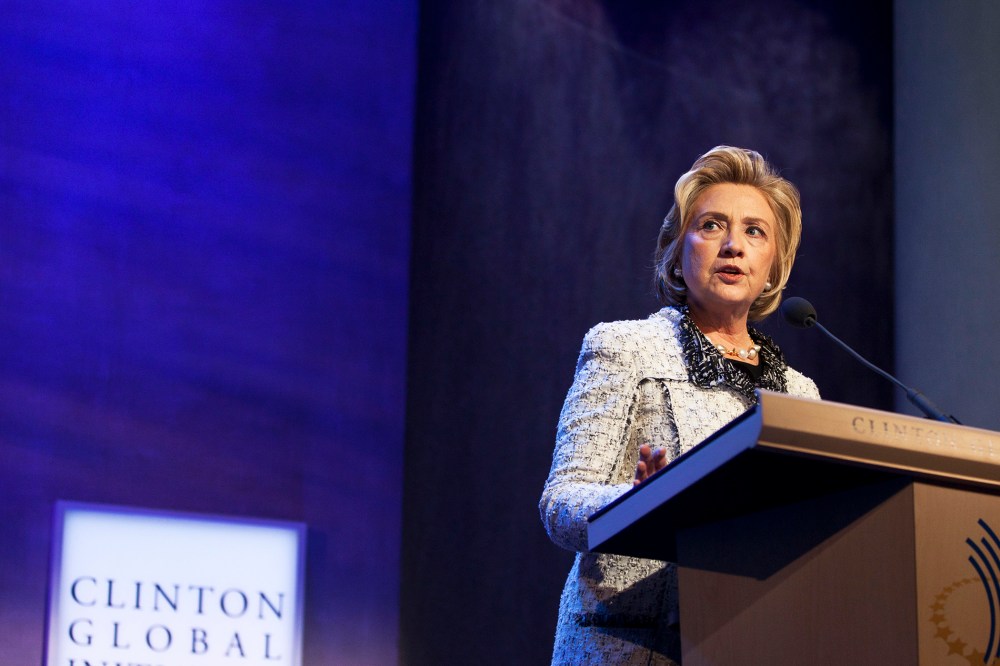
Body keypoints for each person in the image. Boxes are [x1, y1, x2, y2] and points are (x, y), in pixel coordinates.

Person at [538, 146, 821, 665]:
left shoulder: (800, 395)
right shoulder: (624, 348)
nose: (733, 245)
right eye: (711, 225)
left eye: (755, 231)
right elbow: (559, 505)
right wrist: (637, 504)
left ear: (774, 265)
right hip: (630, 646)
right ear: (676, 251)